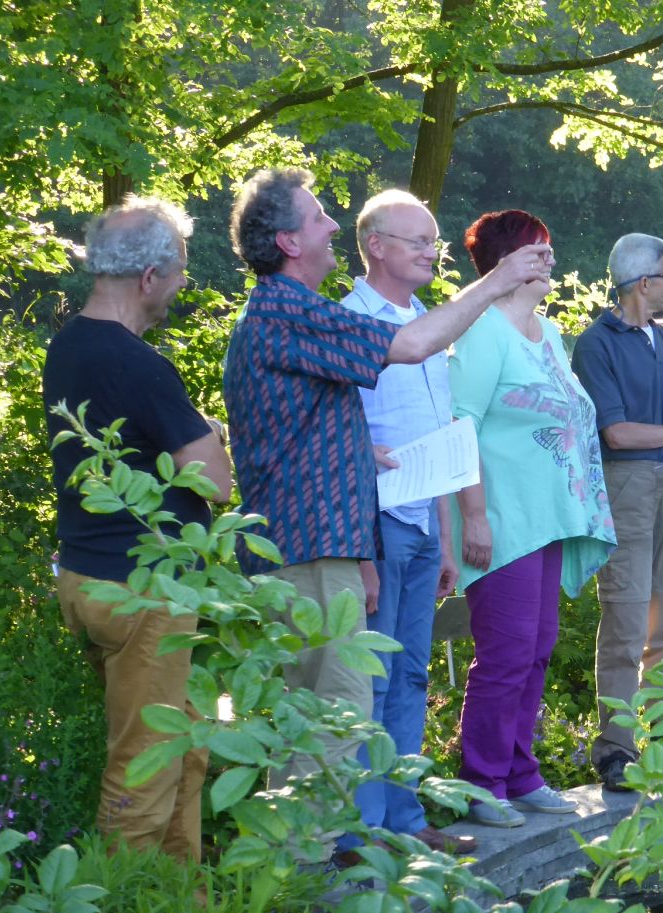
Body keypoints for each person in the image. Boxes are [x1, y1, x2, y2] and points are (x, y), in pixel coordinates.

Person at [222, 170, 552, 862]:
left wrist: (358, 452)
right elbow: (409, 346)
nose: (332, 227)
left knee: (355, 697)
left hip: (333, 540)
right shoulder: (287, 309)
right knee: (337, 708)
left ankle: (367, 840)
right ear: (288, 241)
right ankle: (319, 870)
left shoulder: (296, 312)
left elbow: (304, 427)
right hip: (310, 546)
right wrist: (497, 281)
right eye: (319, 217)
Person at [43, 196, 233, 864]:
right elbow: (216, 482)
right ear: (150, 276)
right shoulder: (141, 364)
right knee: (146, 760)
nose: (180, 285)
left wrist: (192, 435)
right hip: (144, 590)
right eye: (178, 271)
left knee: (185, 741)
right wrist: (210, 435)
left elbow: (137, 447)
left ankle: (178, 895)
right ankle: (120, 906)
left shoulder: (67, 346)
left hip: (89, 575)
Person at [449, 210, 616, 827]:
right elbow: (461, 423)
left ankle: (519, 773)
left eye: (549, 248)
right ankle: (481, 782)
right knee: (506, 653)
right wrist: (473, 515)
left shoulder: (548, 333)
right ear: (506, 262)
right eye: (536, 250)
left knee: (537, 649)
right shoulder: (481, 331)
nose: (549, 259)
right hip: (501, 520)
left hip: (547, 521)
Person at [339, 189, 474, 855]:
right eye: (418, 241)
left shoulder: (425, 322)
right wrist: (361, 550)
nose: (431, 252)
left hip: (424, 525)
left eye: (433, 241)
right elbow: (341, 442)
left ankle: (406, 819)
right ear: (376, 246)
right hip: (378, 524)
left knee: (413, 674)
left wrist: (446, 538)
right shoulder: (348, 322)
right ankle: (362, 832)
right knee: (370, 677)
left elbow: (437, 436)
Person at [571, 233, 663, 791]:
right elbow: (616, 432)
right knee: (627, 622)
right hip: (627, 487)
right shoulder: (595, 344)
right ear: (644, 282)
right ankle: (616, 751)